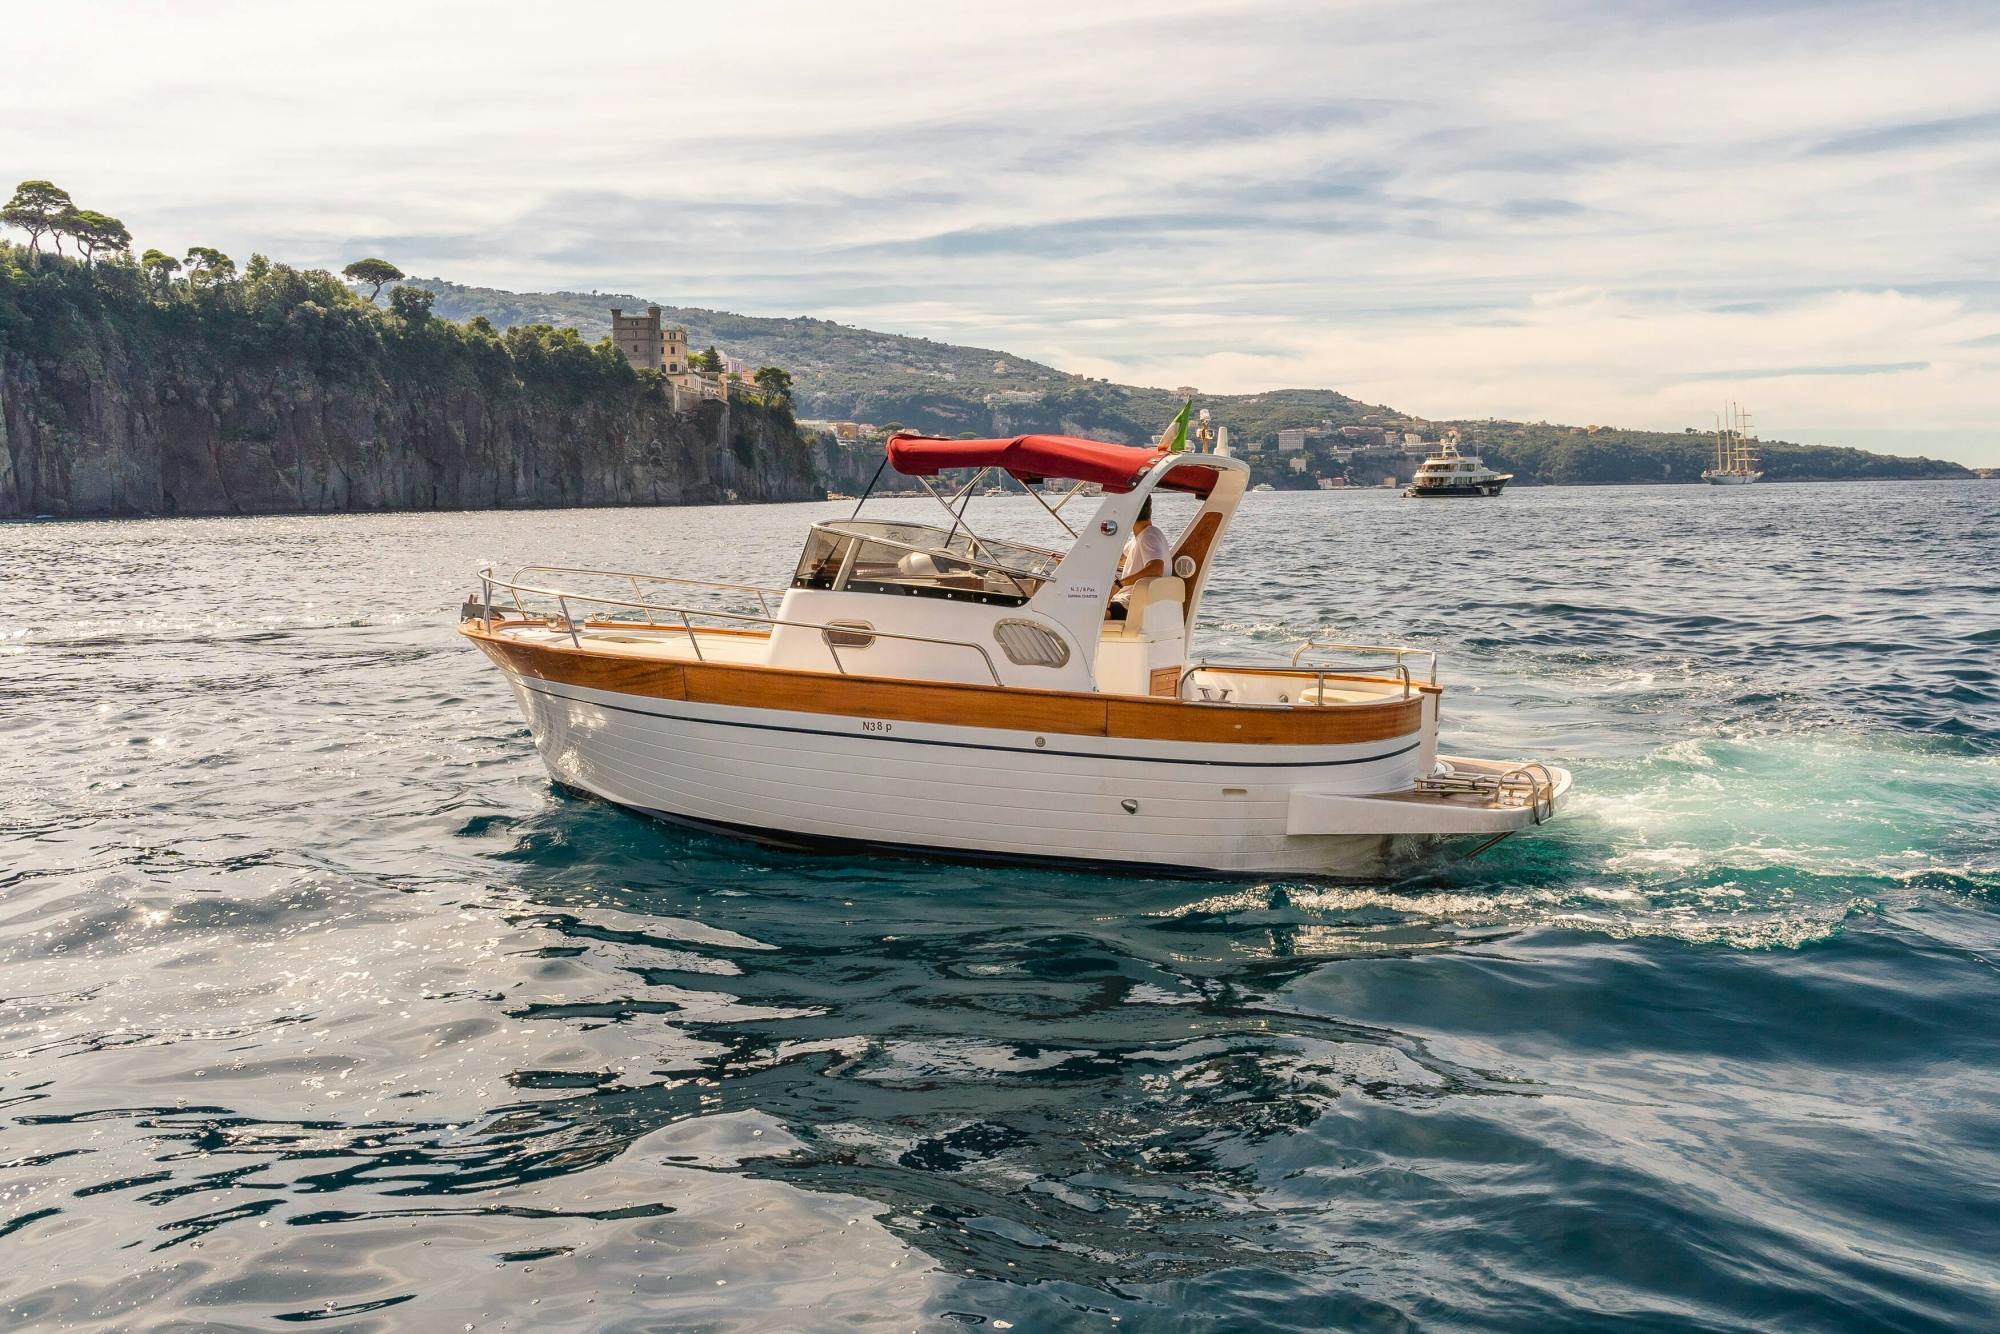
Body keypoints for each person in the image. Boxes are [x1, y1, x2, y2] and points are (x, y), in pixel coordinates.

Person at [1107, 498, 1172, 620]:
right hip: (1129, 600)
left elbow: (1156, 569)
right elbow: (1121, 559)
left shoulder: (1149, 536)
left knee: (1086, 610)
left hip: (1131, 603)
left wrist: (1118, 584)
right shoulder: (1140, 537)